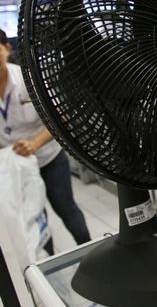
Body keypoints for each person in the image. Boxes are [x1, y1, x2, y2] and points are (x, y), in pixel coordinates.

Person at [0, 29, 91, 251]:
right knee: (33, 218)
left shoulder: (27, 80)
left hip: (48, 158)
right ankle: (46, 266)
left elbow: (61, 116)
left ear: (7, 49)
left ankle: (90, 250)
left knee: (66, 209)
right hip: (15, 167)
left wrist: (34, 144)